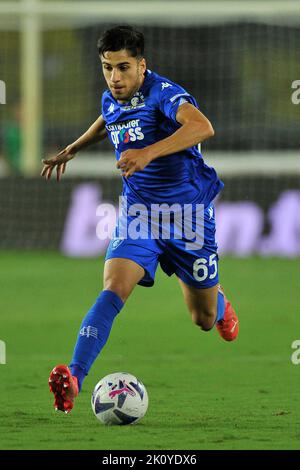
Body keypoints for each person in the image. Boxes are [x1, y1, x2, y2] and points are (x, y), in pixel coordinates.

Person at [41, 25, 239, 414]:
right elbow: (109, 118)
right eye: (107, 68)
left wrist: (148, 153)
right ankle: (75, 377)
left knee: (201, 318)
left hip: (189, 218)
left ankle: (218, 302)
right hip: (139, 214)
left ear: (142, 65)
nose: (115, 77)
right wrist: (74, 147)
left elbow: (203, 127)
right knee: (114, 288)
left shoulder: (164, 93)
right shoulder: (112, 96)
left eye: (123, 68)